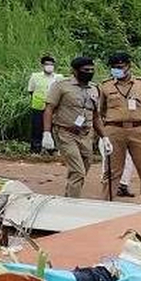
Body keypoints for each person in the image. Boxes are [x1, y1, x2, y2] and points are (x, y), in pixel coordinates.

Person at [96, 51, 141, 204]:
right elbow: (99, 111)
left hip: (139, 130)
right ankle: (106, 204)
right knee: (112, 171)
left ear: (129, 66)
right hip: (114, 130)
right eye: (114, 67)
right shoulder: (105, 86)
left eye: (121, 66)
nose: (117, 70)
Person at [43, 55, 102, 199]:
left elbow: (95, 115)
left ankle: (68, 196)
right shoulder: (61, 86)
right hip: (66, 133)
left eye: (91, 70)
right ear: (75, 71)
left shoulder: (94, 89)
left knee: (84, 167)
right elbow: (49, 109)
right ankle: (72, 202)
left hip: (86, 134)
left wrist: (104, 137)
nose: (89, 72)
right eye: (85, 70)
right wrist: (46, 133)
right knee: (78, 171)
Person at [25, 55, 60, 156]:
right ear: (42, 66)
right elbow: (31, 91)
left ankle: (52, 149)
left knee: (54, 129)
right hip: (38, 106)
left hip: (54, 107)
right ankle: (35, 149)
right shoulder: (35, 76)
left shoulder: (58, 78)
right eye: (47, 64)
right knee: (37, 128)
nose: (49, 66)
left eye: (51, 64)